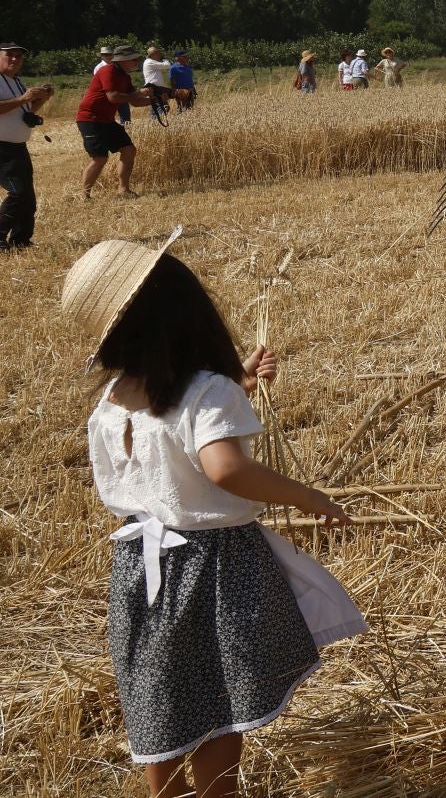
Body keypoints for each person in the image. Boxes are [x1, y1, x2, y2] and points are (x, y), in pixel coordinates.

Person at [64, 235, 363, 798]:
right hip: (213, 569)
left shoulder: (114, 396)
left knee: (162, 695)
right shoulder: (207, 390)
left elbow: (168, 435)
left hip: (139, 569)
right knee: (221, 700)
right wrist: (308, 496)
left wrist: (238, 385)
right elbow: (224, 469)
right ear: (189, 315)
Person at [77, 46, 152, 199]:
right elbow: (113, 97)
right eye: (134, 59)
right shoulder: (107, 71)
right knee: (100, 158)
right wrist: (138, 93)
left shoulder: (125, 76)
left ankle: (123, 190)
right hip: (90, 119)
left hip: (106, 120)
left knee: (129, 150)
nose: (137, 61)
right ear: (123, 60)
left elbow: (135, 102)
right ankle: (84, 195)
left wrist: (155, 100)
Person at [0, 41, 54, 249]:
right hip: (2, 151)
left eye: (18, 56)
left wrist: (41, 98)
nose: (14, 59)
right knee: (17, 192)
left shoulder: (16, 80)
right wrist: (24, 98)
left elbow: (26, 111)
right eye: (9, 55)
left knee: (28, 198)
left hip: (18, 148)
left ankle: (21, 240)